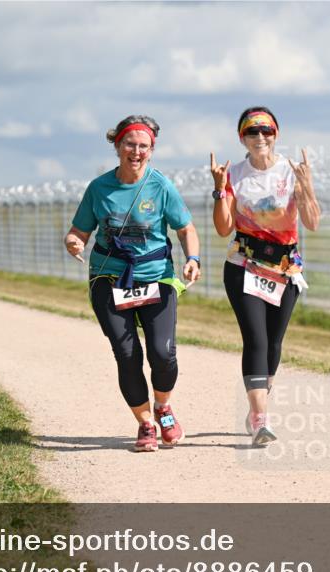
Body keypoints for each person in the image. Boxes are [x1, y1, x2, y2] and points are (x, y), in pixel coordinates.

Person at [64, 114, 201, 452]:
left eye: (144, 146)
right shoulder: (99, 189)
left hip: (156, 277)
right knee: (127, 354)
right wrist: (73, 242)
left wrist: (193, 259)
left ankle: (163, 407)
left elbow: (185, 228)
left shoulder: (160, 186)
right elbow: (79, 231)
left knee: (162, 353)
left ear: (152, 151)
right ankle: (145, 424)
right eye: (130, 144)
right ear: (117, 145)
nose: (136, 152)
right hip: (109, 278)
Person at [210, 106, 322, 446]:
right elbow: (223, 228)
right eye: (252, 131)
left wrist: (305, 188)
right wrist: (219, 189)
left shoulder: (291, 171)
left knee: (274, 342)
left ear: (276, 134)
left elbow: (313, 222)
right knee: (256, 339)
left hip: (285, 270)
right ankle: (260, 419)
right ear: (241, 137)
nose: (260, 137)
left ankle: (259, 403)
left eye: (267, 130)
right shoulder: (234, 174)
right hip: (244, 265)